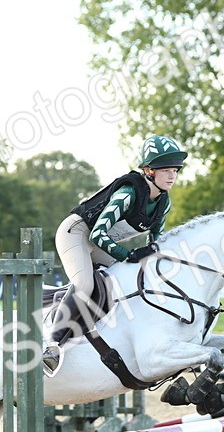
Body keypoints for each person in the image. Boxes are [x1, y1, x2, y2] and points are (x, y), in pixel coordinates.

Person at [41, 135, 188, 375]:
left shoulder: (163, 202)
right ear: (149, 171)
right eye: (166, 170)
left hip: (102, 242)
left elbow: (156, 241)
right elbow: (98, 234)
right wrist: (128, 255)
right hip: (77, 233)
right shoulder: (128, 193)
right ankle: (52, 344)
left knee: (124, 280)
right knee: (85, 283)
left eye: (175, 170)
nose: (172, 176)